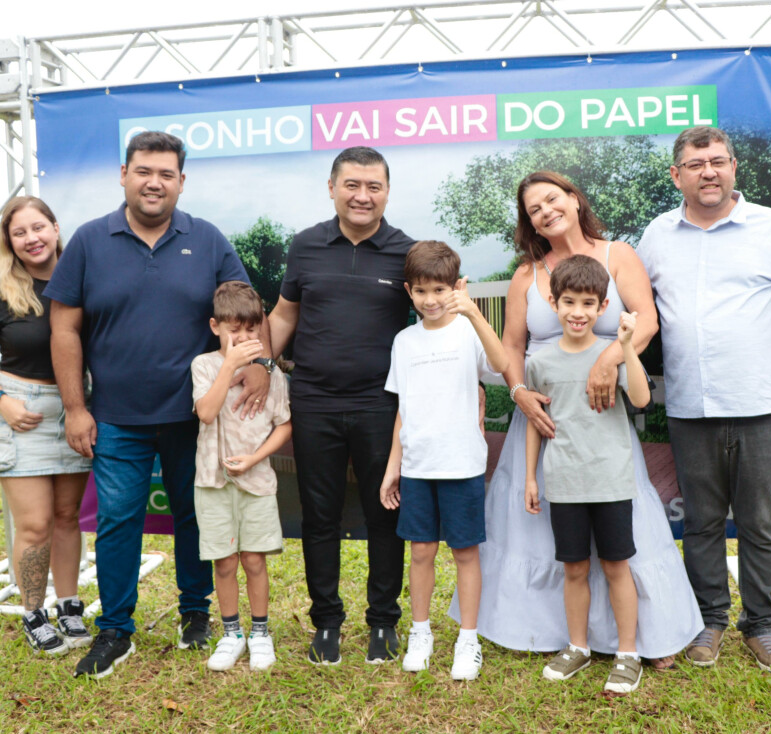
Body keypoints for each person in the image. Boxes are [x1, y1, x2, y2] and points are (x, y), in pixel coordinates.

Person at [46, 131, 267, 679]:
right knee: (119, 520)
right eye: (144, 171)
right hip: (116, 416)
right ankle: (116, 630)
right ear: (124, 174)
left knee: (198, 516)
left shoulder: (208, 239)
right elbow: (64, 329)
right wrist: (76, 407)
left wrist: (258, 364)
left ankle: (196, 614)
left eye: (166, 174)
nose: (154, 182)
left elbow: (245, 316)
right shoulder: (90, 242)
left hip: (197, 417)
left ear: (181, 182)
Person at [459, 171, 703, 667]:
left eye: (552, 199)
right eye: (534, 210)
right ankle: (554, 632)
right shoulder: (528, 275)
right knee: (548, 532)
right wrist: (520, 393)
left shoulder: (618, 256)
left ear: (573, 199)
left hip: (602, 415)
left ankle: (643, 640)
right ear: (529, 223)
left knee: (620, 532)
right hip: (545, 415)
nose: (546, 211)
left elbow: (648, 319)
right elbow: (512, 347)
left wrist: (609, 359)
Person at [636, 126, 771, 674]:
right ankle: (710, 620)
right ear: (677, 175)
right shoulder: (657, 235)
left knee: (761, 524)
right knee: (703, 523)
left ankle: (761, 625)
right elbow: (636, 309)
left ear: (735, 167)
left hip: (763, 405)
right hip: (690, 408)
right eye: (695, 164)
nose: (708, 172)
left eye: (717, 161)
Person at [268, 146, 415, 665]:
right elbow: (285, 314)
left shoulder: (407, 252)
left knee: (385, 514)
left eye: (373, 186)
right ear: (332, 188)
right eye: (352, 184)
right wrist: (256, 365)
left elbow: (434, 318)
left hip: (382, 405)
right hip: (314, 402)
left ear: (387, 192)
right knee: (320, 515)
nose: (362, 195)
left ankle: (383, 623)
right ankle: (326, 622)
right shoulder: (305, 245)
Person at [0, 196, 93, 655]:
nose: (32, 238)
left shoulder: (82, 280)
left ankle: (70, 605)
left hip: (76, 405)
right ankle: (34, 612)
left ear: (56, 229)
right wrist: (1, 402)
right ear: (10, 243)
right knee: (35, 524)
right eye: (19, 233)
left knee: (66, 518)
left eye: (39, 228)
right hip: (23, 411)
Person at [378, 241, 508, 681]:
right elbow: (403, 409)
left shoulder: (469, 330)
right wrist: (394, 464)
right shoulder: (403, 341)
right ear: (408, 291)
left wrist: (474, 313)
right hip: (418, 467)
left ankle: (468, 640)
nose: (430, 300)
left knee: (466, 553)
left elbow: (502, 364)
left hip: (462, 465)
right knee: (421, 552)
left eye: (439, 290)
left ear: (456, 286)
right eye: (420, 291)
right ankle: (421, 632)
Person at [524, 255, 652, 694]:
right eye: (569, 302)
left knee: (617, 565)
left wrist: (628, 348)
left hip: (610, 479)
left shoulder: (609, 353)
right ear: (553, 304)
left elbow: (640, 399)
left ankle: (627, 653)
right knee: (574, 568)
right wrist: (531, 478)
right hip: (563, 482)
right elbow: (535, 428)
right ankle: (577, 646)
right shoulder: (539, 363)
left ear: (603, 307)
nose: (578, 312)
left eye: (588, 303)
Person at [192, 281, 292, 673]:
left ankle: (261, 632)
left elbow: (284, 426)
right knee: (224, 563)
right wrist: (231, 366)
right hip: (212, 482)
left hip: (258, 482)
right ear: (216, 327)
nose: (245, 338)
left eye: (252, 330)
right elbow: (205, 412)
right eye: (235, 330)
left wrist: (254, 458)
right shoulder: (203, 365)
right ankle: (231, 633)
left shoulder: (273, 377)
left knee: (254, 560)